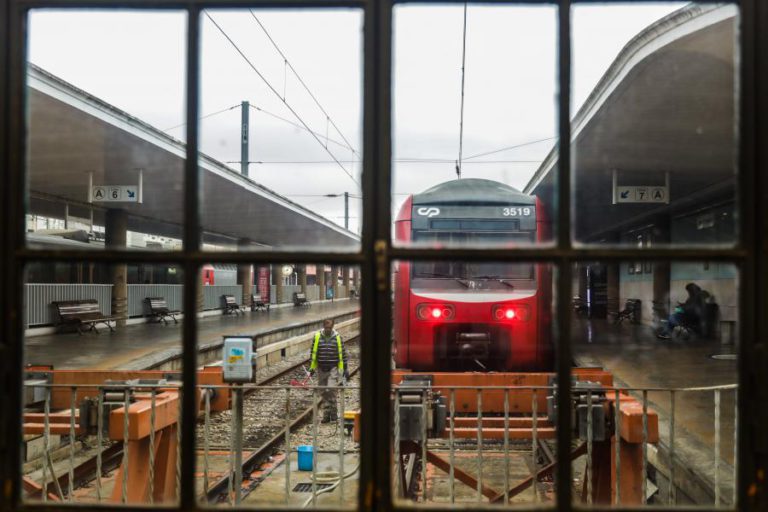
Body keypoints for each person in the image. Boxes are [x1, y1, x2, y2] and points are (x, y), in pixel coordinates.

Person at [308, 318, 349, 422]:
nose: (328, 329)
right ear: (323, 327)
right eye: (326, 327)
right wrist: (311, 368)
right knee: (323, 391)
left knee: (331, 389)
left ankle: (334, 414)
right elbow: (313, 354)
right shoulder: (317, 337)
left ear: (333, 327)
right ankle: (326, 415)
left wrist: (345, 368)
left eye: (330, 328)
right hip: (321, 368)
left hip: (333, 368)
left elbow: (342, 354)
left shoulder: (338, 338)